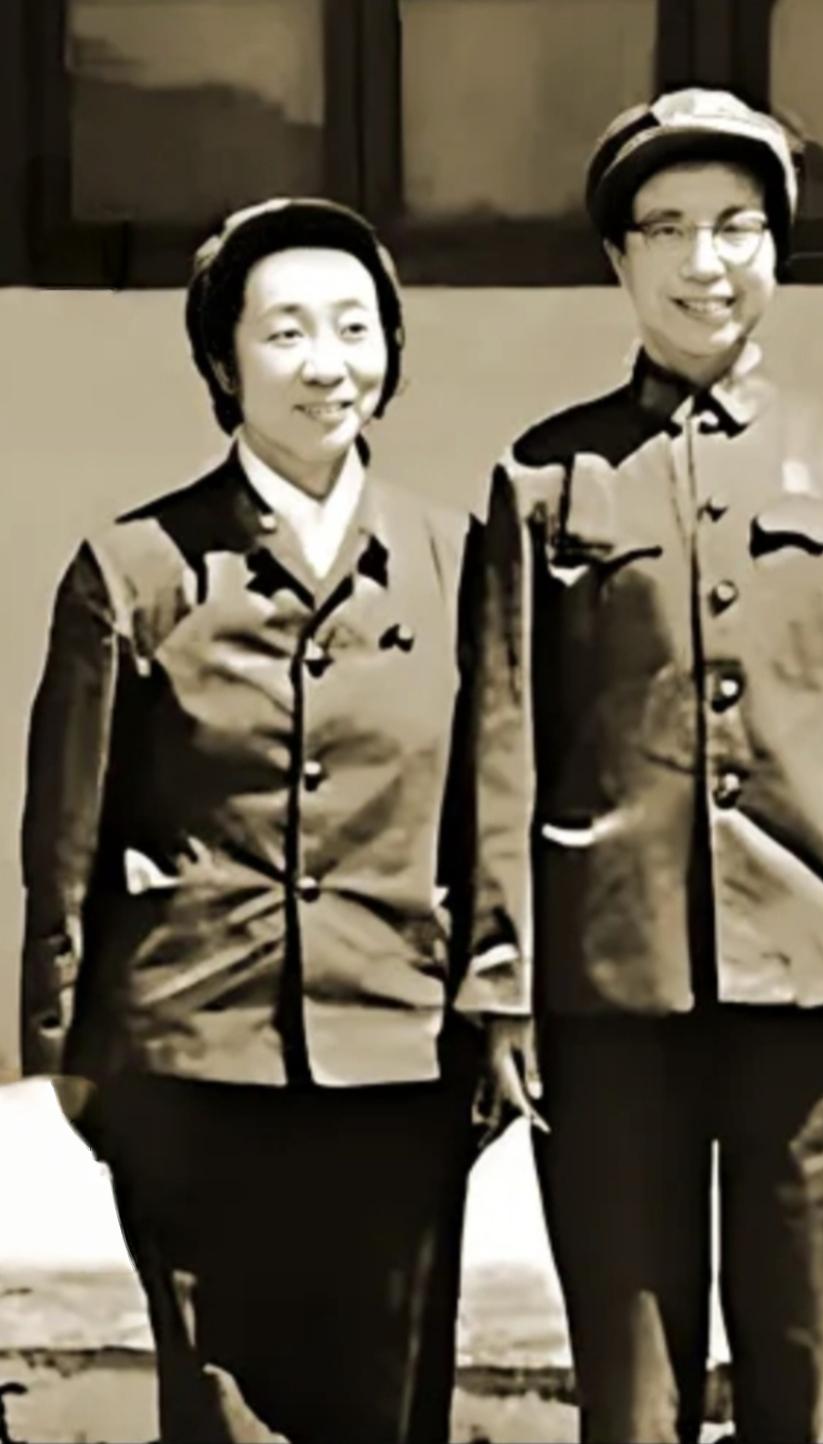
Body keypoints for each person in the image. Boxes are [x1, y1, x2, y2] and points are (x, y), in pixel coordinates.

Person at [473, 90, 823, 1443]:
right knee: (629, 1390)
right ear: (618, 257)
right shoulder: (543, 478)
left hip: (821, 982)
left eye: (736, 227)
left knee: (807, 1378)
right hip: (606, 991)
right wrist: (502, 979)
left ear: (775, 249)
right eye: (667, 230)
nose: (704, 262)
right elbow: (505, 741)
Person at [19, 197, 509, 1444]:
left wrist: (500, 1013)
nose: (325, 362)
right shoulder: (133, 569)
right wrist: (64, 1044)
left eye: (354, 327)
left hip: (402, 1060)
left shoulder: (458, 563)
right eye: (285, 331)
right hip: (190, 1059)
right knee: (220, 1414)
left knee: (389, 1412)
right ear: (222, 361)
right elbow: (64, 832)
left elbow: (495, 810)